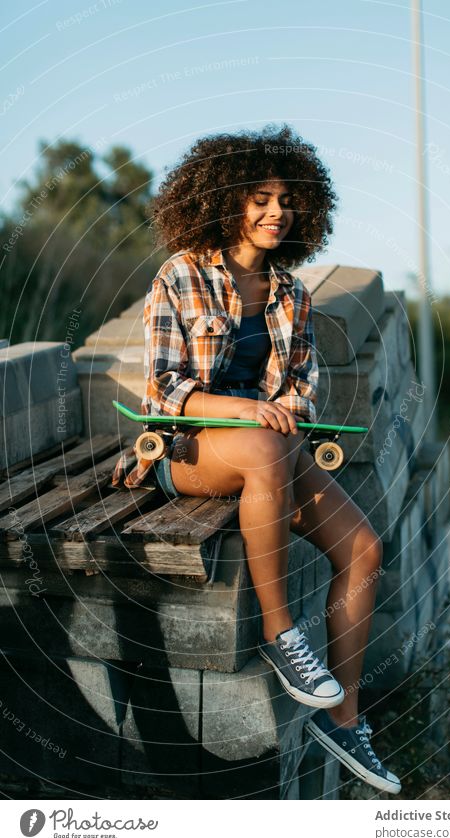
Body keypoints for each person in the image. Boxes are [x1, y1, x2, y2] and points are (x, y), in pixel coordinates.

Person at [113, 124, 401, 795]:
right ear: (225, 200)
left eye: (286, 199)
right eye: (260, 198)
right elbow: (163, 388)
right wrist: (244, 410)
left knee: (361, 547)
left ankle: (343, 717)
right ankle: (280, 636)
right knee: (268, 446)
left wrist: (282, 415)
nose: (277, 212)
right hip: (187, 451)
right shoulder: (181, 273)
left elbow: (301, 391)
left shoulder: (291, 294)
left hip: (269, 451)